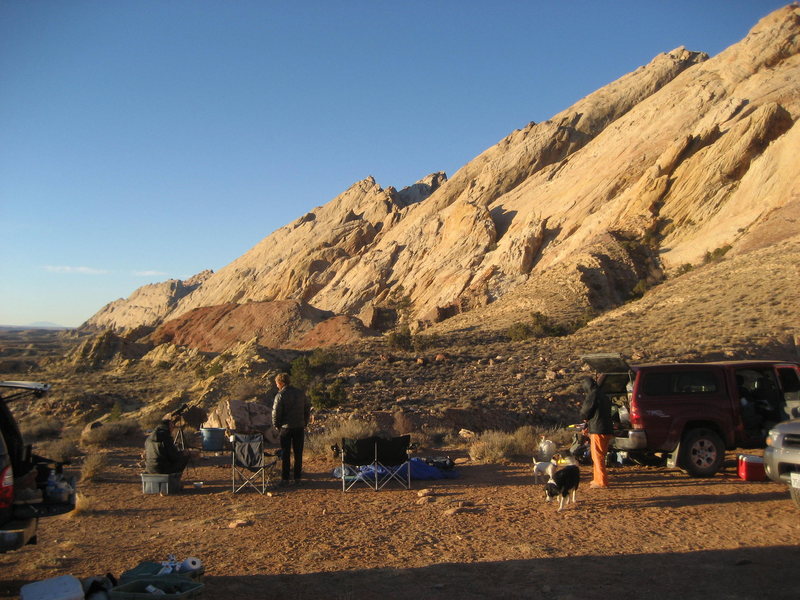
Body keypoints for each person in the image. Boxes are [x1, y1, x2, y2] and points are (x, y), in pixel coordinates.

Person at [271, 373, 311, 485]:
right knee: (298, 453)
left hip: (286, 428)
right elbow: (307, 408)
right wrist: (305, 422)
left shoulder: (280, 395)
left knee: (286, 454)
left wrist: (276, 425)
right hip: (299, 427)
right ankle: (297, 478)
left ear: (281, 383)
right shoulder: (300, 393)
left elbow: (276, 412)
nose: (277, 386)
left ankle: (285, 478)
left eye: (277, 383)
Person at [579, 376, 614, 488]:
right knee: (599, 455)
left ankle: (602, 481)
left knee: (597, 456)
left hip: (598, 429)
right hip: (607, 429)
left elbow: (585, 411)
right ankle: (597, 479)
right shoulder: (603, 395)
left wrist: (584, 419)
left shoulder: (593, 395)